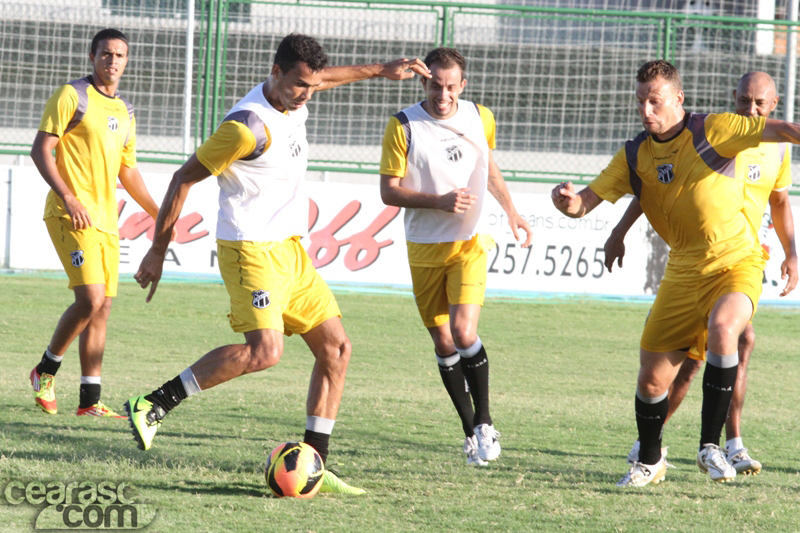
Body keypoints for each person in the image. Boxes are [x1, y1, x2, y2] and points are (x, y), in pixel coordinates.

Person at [125, 33, 430, 494]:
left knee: (337, 350)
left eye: (310, 86)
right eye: (299, 85)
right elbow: (183, 178)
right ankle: (154, 403)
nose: (307, 93)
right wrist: (157, 248)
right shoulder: (247, 128)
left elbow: (325, 79)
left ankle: (315, 466)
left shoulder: (296, 94)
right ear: (275, 73)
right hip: (249, 249)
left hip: (289, 250)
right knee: (265, 351)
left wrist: (380, 70)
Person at [551, 59, 800, 487]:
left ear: (678, 99)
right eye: (641, 102)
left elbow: (785, 132)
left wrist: (790, 252)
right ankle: (650, 459)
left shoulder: (715, 129)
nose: (647, 110)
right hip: (683, 271)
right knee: (652, 380)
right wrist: (567, 202)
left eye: (656, 101)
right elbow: (585, 202)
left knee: (728, 330)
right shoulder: (635, 155)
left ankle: (713, 446)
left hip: (738, 260)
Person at [379, 48, 532, 466]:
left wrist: (512, 212)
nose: (442, 95)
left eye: (450, 87)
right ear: (423, 81)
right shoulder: (404, 125)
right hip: (425, 248)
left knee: (464, 332)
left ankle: (485, 422)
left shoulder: (481, 117)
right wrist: (439, 201)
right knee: (443, 341)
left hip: (470, 241)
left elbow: (487, 166)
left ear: (462, 86)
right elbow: (388, 190)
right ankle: (469, 432)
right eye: (434, 86)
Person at [29, 28, 162, 418]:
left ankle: (89, 401)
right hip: (69, 213)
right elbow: (41, 150)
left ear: (126, 61)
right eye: (106, 53)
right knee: (89, 298)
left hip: (106, 221)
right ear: (92, 57)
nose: (113, 61)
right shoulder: (73, 95)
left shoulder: (125, 111)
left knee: (101, 308)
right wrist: (69, 197)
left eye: (120, 55)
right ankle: (46, 369)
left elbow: (128, 172)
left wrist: (159, 211)